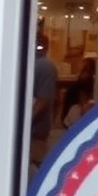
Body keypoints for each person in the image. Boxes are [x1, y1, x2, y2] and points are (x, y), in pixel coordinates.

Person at [30, 35, 58, 170]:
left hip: (35, 132)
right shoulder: (42, 65)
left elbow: (43, 100)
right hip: (34, 131)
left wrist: (27, 121)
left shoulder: (44, 66)